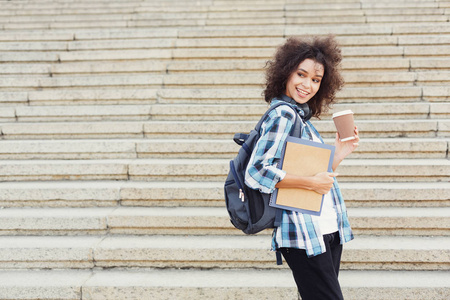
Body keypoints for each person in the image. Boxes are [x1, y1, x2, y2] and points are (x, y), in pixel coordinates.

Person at [245, 36, 359, 300]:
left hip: (325, 228)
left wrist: (339, 153)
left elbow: (312, 172)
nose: (307, 85)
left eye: (316, 79)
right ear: (286, 72)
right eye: (301, 74)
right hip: (303, 232)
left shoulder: (300, 116)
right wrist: (311, 184)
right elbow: (257, 171)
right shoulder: (282, 115)